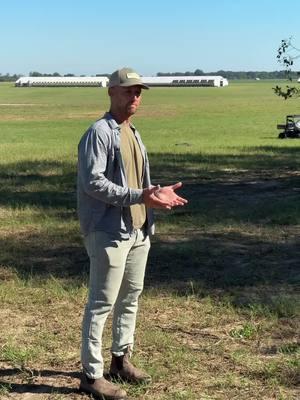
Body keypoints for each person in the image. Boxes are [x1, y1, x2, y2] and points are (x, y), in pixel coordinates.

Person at [77, 67, 188, 400]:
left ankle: (120, 361)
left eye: (138, 91)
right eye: (128, 90)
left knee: (130, 298)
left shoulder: (132, 132)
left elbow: (139, 182)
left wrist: (153, 194)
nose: (134, 96)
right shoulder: (99, 132)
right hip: (109, 232)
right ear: (111, 92)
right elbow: (93, 183)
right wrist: (141, 195)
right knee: (101, 303)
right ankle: (91, 376)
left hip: (139, 229)